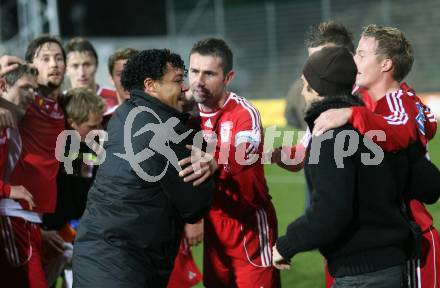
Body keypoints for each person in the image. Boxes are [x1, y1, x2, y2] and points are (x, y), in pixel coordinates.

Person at [273, 46, 414, 288]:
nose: (303, 93)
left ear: (315, 89)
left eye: (305, 85)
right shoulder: (372, 126)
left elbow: (329, 213)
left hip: (362, 274)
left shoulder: (329, 139)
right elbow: (428, 183)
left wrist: (287, 245)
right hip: (392, 266)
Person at [72, 49, 214, 288]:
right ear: (150, 84)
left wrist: (184, 113)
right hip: (124, 265)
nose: (184, 88)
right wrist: (211, 167)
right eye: (177, 81)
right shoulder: (162, 130)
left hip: (95, 254)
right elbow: (195, 204)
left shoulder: (124, 113)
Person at [311, 24, 439, 288]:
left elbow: (401, 131)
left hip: (413, 238)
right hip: (376, 237)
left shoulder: (399, 100)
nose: (353, 59)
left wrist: (352, 115)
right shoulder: (362, 99)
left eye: (360, 53)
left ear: (385, 64)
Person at [178, 38, 280, 287]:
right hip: (214, 225)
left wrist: (214, 162)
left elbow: (245, 150)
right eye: (194, 71)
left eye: (209, 73)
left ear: (228, 77)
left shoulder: (244, 113)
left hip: (250, 226)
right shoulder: (185, 115)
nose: (198, 81)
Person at [0, 35, 67, 288]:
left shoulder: (61, 105)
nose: (54, 64)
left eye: (59, 59)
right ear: (30, 66)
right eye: (46, 59)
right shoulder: (22, 103)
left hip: (34, 218)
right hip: (11, 211)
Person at [283, 21, 354, 130]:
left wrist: (353, 113)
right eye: (313, 61)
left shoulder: (372, 94)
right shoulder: (299, 90)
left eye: (325, 60)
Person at [65, 37, 118, 114]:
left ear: (96, 66)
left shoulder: (116, 98)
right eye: (75, 66)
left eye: (87, 65)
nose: (82, 73)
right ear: (66, 70)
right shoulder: (59, 103)